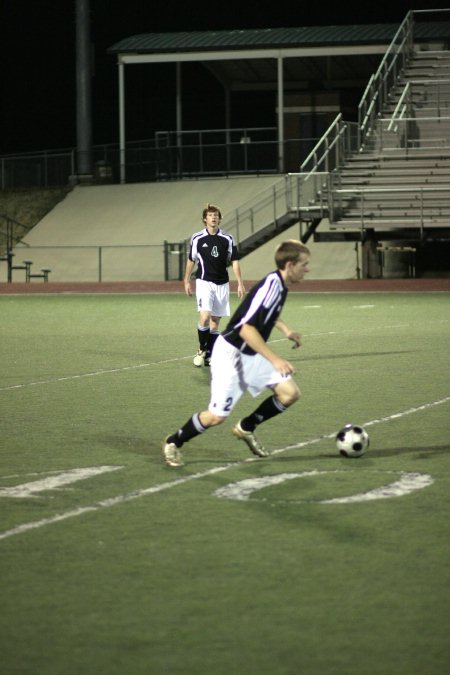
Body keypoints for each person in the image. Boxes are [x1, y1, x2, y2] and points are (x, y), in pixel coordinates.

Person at [162, 239, 310, 467]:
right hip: (230, 354)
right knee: (216, 417)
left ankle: (246, 427)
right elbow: (246, 329)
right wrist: (276, 359)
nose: (307, 270)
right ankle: (173, 441)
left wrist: (286, 330)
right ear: (290, 265)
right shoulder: (273, 285)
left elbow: (265, 313)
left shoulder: (279, 284)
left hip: (250, 354)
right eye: (304, 264)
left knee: (290, 393)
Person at [184, 203, 246, 367]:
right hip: (204, 282)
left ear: (219, 219)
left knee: (215, 322)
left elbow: (235, 261)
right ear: (205, 219)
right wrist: (186, 280)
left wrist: (240, 283)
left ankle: (209, 355)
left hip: (222, 284)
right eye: (210, 215)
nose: (214, 218)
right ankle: (201, 349)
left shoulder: (228, 238)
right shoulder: (197, 238)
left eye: (216, 215)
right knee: (204, 317)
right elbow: (191, 260)